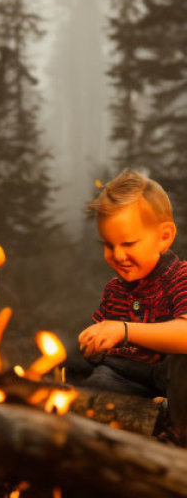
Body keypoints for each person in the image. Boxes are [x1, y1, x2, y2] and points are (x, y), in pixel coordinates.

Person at [66, 169, 187, 445]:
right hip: (126, 374)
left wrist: (124, 330)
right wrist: (94, 344)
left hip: (173, 377)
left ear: (164, 237)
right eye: (108, 245)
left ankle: (175, 432)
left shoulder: (181, 277)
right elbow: (104, 341)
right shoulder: (115, 289)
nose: (118, 255)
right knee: (81, 371)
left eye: (129, 243)